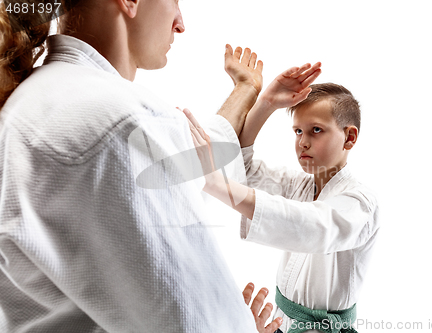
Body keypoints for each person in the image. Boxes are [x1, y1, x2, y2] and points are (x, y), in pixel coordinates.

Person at [0, 0, 282, 331]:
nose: (180, 23)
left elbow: (195, 154)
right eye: (175, 1)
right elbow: (197, 325)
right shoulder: (122, 124)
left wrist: (246, 91)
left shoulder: (32, 99)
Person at [186, 64, 379, 332]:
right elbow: (246, 169)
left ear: (349, 137)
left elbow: (312, 226)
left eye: (316, 130)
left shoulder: (360, 203)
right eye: (298, 131)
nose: (303, 142)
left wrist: (218, 184)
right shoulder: (299, 186)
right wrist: (265, 102)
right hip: (283, 323)